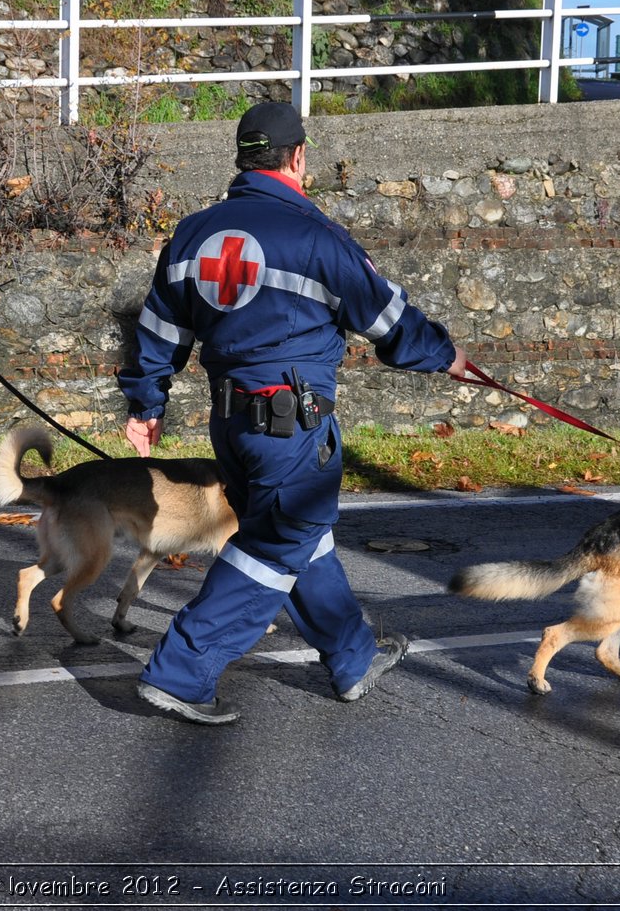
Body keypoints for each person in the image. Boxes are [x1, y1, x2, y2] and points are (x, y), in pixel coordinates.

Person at [118, 101, 467, 724]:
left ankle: (353, 655)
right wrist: (445, 354)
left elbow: (158, 329)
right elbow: (389, 323)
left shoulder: (192, 233)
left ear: (242, 157)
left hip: (229, 420)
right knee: (279, 541)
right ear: (298, 157)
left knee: (301, 533)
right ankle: (181, 671)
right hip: (292, 422)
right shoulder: (317, 237)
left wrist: (147, 401)